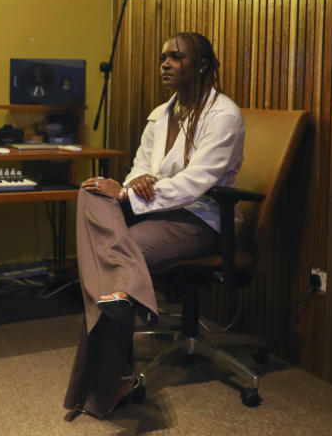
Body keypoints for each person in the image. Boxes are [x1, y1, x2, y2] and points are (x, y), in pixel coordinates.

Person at [64, 31, 245, 419]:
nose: (165, 64)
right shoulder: (161, 113)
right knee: (92, 192)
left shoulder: (223, 116)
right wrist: (132, 184)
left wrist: (132, 194)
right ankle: (122, 302)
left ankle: (114, 380)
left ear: (202, 66)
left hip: (200, 219)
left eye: (176, 57)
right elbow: (139, 167)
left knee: (114, 260)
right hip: (155, 210)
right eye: (163, 57)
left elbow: (196, 182)